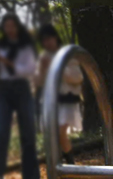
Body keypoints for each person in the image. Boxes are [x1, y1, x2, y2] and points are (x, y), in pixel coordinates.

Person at [0, 13, 39, 179]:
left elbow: (29, 69)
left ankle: (31, 175)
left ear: (17, 27)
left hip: (22, 88)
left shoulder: (26, 45)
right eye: (6, 26)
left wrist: (7, 62)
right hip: (4, 89)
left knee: (28, 134)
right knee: (1, 132)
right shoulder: (0, 44)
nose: (9, 29)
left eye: (12, 26)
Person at [35, 23, 85, 160]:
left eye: (49, 38)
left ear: (55, 37)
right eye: (44, 40)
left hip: (68, 99)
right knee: (53, 134)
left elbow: (77, 77)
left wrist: (57, 67)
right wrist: (43, 69)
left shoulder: (66, 55)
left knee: (60, 131)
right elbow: (38, 82)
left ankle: (68, 162)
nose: (47, 42)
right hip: (51, 102)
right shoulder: (43, 57)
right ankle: (61, 161)